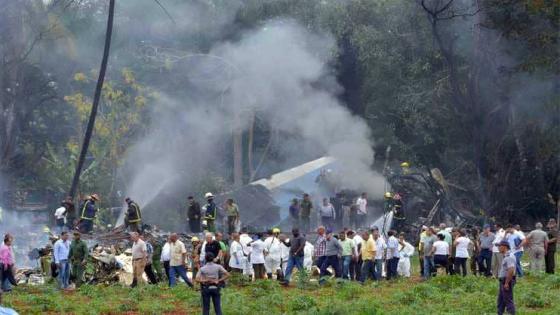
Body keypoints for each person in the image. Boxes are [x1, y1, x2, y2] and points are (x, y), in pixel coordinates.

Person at [497, 241, 516, 315]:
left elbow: (511, 270)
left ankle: (511, 313)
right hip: (503, 280)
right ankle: (499, 313)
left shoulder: (509, 257)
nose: (498, 248)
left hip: (506, 280)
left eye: (499, 246)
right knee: (501, 300)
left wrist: (507, 283)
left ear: (504, 247)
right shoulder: (506, 256)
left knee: (508, 300)